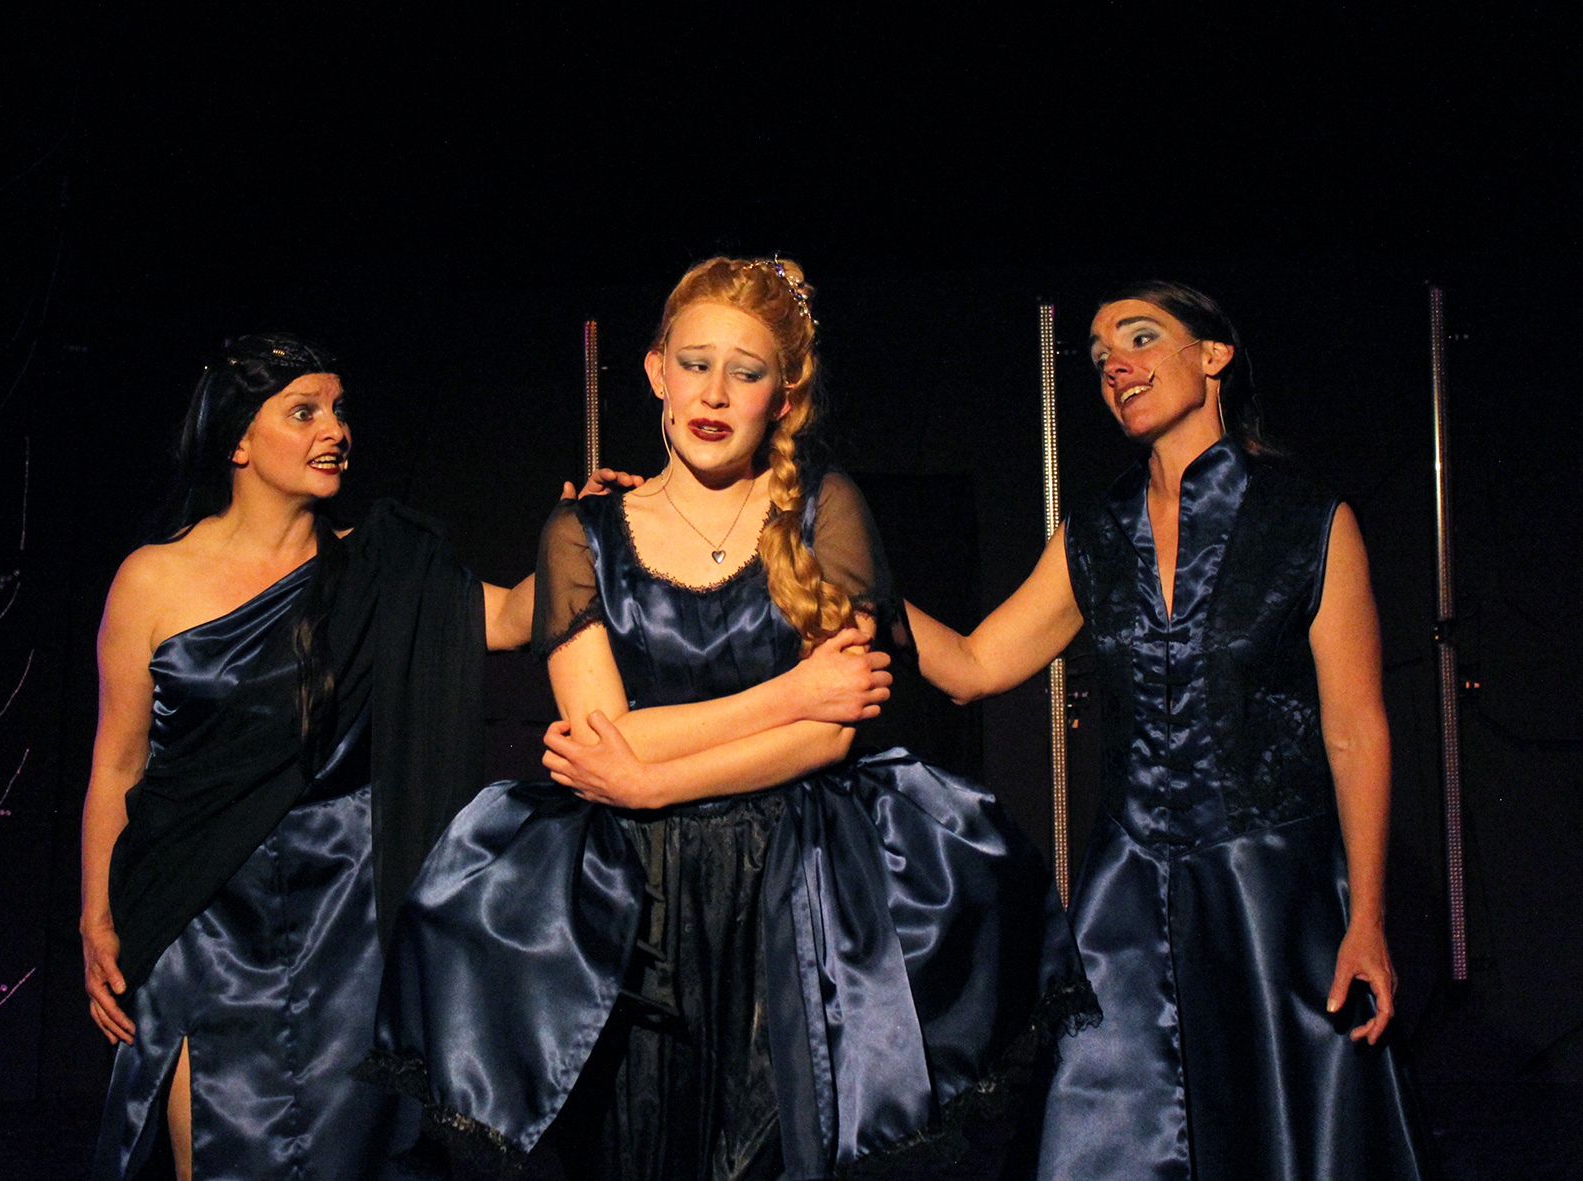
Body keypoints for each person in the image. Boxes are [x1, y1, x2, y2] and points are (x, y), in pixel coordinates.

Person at [359, 258, 1094, 1181]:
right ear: (656, 371)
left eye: (745, 373)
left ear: (782, 397)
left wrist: (656, 771)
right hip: (639, 897)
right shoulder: (580, 534)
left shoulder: (825, 510)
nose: (714, 393)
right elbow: (607, 736)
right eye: (694, 364)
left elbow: (831, 731)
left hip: (802, 883)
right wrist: (784, 696)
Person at [906, 282, 1427, 1180]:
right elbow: (973, 665)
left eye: (1141, 338)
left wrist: (1368, 918)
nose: (1115, 363)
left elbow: (1356, 730)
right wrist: (829, 578)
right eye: (1100, 354)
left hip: (1271, 901)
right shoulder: (1097, 532)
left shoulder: (1309, 521)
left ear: (1213, 355)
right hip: (1128, 902)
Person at [80, 334, 543, 1180]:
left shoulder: (380, 569)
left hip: (345, 923)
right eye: (304, 412)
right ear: (238, 441)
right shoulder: (151, 579)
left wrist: (589, 535)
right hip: (194, 911)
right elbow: (117, 763)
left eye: (338, 409)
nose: (335, 430)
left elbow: (513, 619)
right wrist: (96, 916)